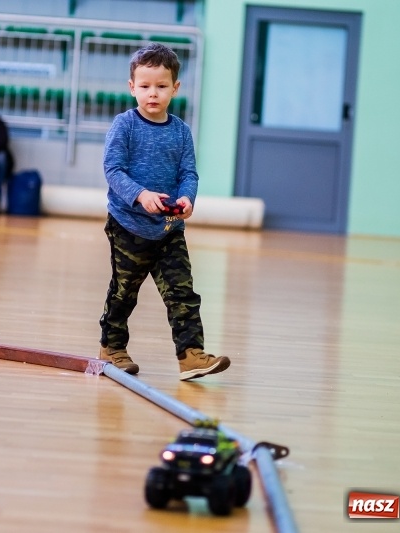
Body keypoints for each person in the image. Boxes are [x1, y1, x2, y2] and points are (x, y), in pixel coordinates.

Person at [98, 43, 230, 381]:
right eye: (144, 86)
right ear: (132, 88)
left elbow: (188, 174)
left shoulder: (181, 131)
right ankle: (112, 348)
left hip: (169, 228)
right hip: (128, 227)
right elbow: (113, 169)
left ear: (175, 88)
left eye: (160, 86)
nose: (152, 94)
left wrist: (187, 199)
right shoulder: (124, 125)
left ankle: (191, 356)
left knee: (182, 293)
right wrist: (140, 196)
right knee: (124, 292)